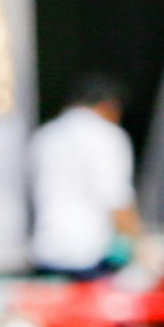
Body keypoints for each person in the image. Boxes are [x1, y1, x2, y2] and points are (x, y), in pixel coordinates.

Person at [25, 76, 136, 279]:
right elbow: (117, 202)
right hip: (90, 257)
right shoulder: (107, 136)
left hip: (46, 253)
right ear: (108, 106)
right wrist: (141, 247)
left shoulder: (44, 136)